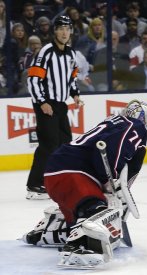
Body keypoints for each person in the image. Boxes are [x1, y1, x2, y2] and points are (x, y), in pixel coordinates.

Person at [22, 100, 147, 268]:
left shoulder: (112, 122)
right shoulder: (135, 126)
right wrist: (110, 178)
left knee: (80, 212)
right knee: (95, 211)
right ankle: (79, 247)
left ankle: (50, 232)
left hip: (55, 171)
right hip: (74, 173)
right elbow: (114, 150)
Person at [26, 15, 84, 200]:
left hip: (60, 104)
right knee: (48, 144)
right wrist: (42, 102)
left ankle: (58, 180)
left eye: (68, 28)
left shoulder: (71, 53)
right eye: (61, 28)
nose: (65, 32)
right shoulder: (46, 52)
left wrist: (75, 94)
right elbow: (33, 80)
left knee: (65, 142)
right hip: (46, 104)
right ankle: (34, 185)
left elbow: (72, 77)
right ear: (55, 31)